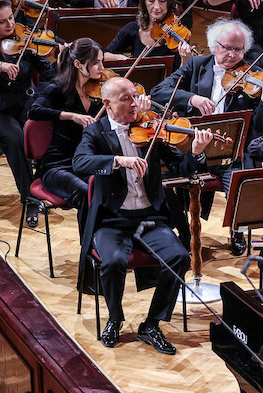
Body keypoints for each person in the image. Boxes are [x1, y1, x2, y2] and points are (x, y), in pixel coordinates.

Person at [71, 76, 211, 354]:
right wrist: (117, 161)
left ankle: (152, 323)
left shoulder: (150, 128)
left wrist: (196, 152)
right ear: (107, 104)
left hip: (149, 217)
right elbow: (79, 162)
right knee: (112, 262)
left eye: (136, 96)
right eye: (127, 99)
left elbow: (180, 166)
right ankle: (114, 317)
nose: (135, 103)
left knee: (179, 257)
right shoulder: (96, 133)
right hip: (112, 220)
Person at [150, 18, 263, 250]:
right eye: (227, 48)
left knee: (240, 183)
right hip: (192, 148)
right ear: (214, 46)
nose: (233, 55)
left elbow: (261, 128)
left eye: (238, 49)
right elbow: (158, 91)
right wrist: (192, 98)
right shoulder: (196, 66)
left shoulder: (254, 75)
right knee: (159, 178)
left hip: (230, 152)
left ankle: (238, 229)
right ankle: (181, 231)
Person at [0, 0, 55, 214]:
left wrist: (61, 56)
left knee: (53, 125)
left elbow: (49, 72)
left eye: (11, 17)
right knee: (16, 138)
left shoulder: (24, 39)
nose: (10, 24)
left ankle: (44, 185)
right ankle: (30, 199)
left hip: (26, 104)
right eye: (2, 21)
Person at [27, 37, 104, 216]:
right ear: (78, 64)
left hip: (86, 162)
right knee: (86, 193)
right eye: (96, 63)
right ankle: (88, 243)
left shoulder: (100, 93)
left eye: (102, 62)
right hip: (57, 166)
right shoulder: (58, 89)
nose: (102, 68)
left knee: (108, 188)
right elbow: (33, 111)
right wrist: (69, 116)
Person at [104, 0, 193, 68]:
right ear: (144, 2)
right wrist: (124, 60)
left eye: (162, 1)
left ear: (169, 3)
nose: (156, 6)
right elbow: (104, 55)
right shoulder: (133, 28)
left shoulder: (178, 35)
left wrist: (185, 60)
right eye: (151, 1)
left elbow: (181, 76)